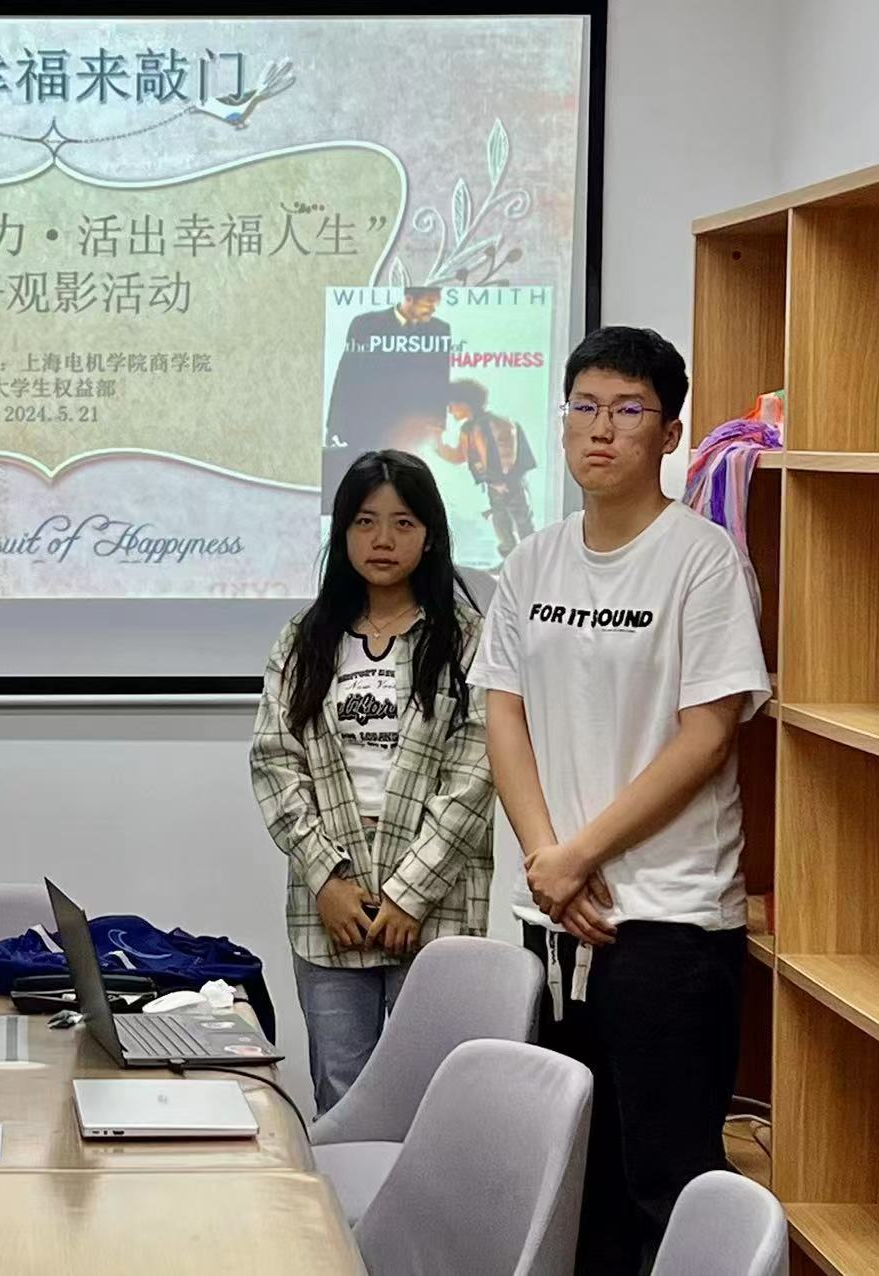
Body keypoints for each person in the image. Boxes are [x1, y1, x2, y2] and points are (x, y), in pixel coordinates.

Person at [470, 327, 770, 1274]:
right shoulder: (533, 562)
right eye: (585, 407)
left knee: (663, 1191)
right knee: (572, 1184)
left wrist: (579, 854)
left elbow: (707, 736)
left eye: (629, 410)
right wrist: (545, 860)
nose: (602, 429)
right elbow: (504, 715)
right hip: (554, 918)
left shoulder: (703, 561)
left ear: (670, 433)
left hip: (668, 925)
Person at [251, 449, 492, 1115]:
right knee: (341, 1098)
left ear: (431, 535)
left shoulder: (469, 640)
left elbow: (476, 773)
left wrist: (410, 895)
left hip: (437, 909)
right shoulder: (304, 639)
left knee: (431, 1102)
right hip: (329, 912)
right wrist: (326, 879)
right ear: (342, 533)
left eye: (403, 522)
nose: (383, 539)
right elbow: (274, 761)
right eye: (365, 521)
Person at [321, 287, 454, 508]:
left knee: (407, 491)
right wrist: (334, 424)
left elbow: (440, 379)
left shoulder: (439, 329)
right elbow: (346, 374)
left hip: (410, 427)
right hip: (367, 424)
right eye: (429, 302)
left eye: (436, 303)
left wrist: (438, 423)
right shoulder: (365, 324)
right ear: (409, 299)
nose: (433, 308)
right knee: (366, 490)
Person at [438, 378, 538, 558]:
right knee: (502, 520)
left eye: (452, 405)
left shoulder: (483, 426)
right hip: (496, 483)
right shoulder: (469, 428)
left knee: (519, 519)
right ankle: (512, 560)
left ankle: (530, 560)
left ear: (465, 404)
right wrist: (437, 444)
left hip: (506, 482)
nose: (450, 411)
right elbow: (460, 456)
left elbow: (493, 455)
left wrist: (499, 481)